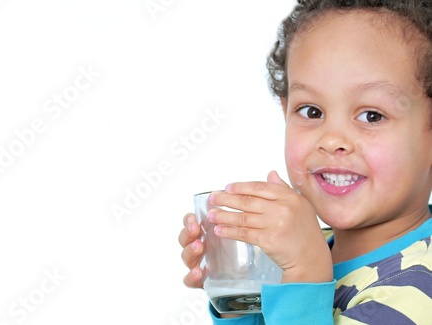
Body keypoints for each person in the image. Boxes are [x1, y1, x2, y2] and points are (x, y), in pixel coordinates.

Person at [178, 0, 432, 324]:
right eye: (312, 111)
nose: (331, 139)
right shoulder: (315, 248)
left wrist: (305, 274)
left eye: (371, 115)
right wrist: (238, 292)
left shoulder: (419, 288)